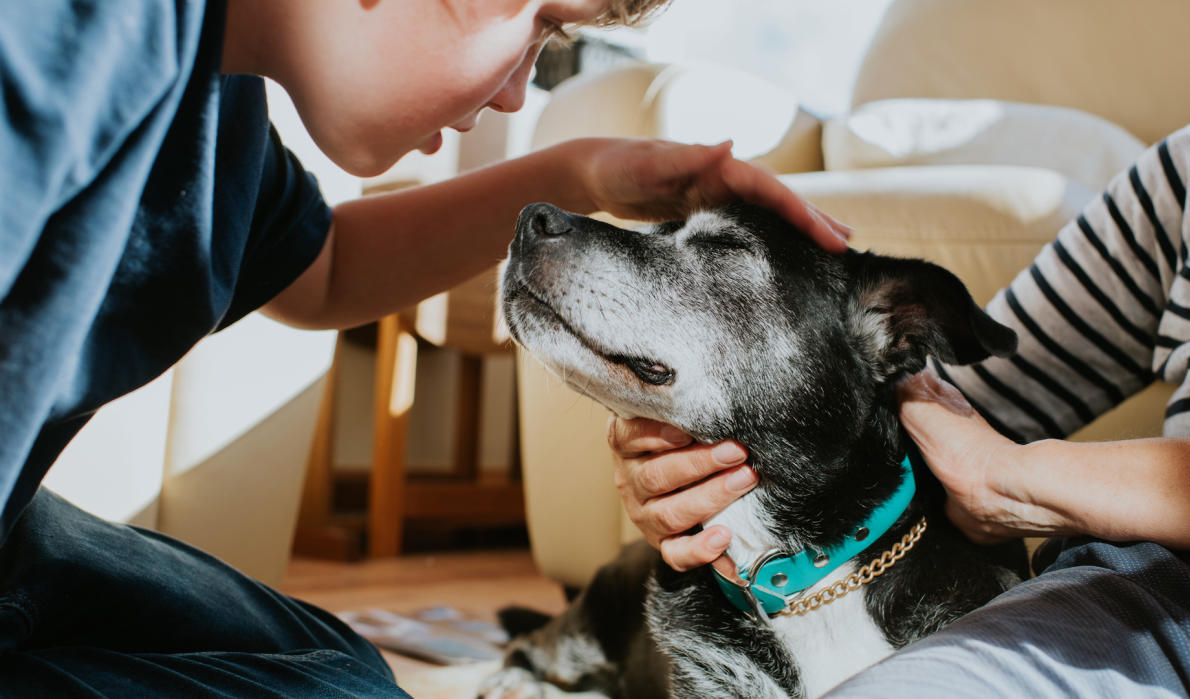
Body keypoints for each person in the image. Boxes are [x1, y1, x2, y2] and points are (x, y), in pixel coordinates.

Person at [0, 0, 853, 695]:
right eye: (540, 26)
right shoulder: (65, 38)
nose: (521, 93)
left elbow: (326, 270)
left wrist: (584, 174)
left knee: (339, 667)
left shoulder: (220, 117)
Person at [611, 108, 1190, 695]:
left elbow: (989, 469)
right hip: (1155, 598)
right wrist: (689, 461)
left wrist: (1015, 479)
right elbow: (958, 404)